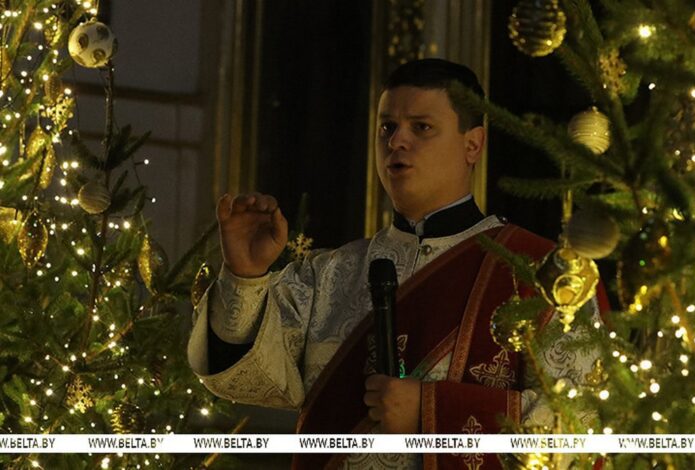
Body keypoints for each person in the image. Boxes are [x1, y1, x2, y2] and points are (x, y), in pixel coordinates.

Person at [188, 58, 607, 469]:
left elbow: (585, 428)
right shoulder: (328, 274)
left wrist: (431, 411)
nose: (396, 142)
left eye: (421, 127)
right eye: (387, 127)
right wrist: (245, 275)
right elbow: (244, 381)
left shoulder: (545, 274)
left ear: (472, 144)